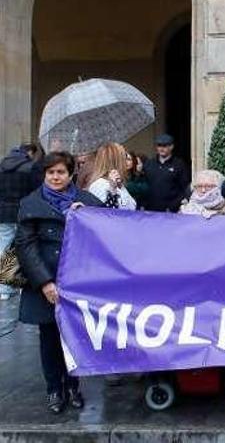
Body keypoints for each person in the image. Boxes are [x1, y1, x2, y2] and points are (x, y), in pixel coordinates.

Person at [15, 152, 102, 414]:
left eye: (61, 172)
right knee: (50, 337)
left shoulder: (85, 200)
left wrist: (87, 214)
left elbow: (111, 225)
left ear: (70, 174)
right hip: (45, 280)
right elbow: (25, 245)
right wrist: (45, 282)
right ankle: (54, 389)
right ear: (44, 174)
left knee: (73, 337)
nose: (55, 177)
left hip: (77, 281)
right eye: (51, 172)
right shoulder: (31, 203)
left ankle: (73, 386)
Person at [0, 143, 42, 300]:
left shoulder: (2, 166)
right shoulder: (31, 167)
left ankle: (3, 288)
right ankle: (20, 284)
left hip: (3, 213)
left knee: (3, 247)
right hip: (23, 213)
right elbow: (37, 191)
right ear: (30, 152)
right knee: (23, 247)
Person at [143, 134, 190, 212]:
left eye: (164, 146)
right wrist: (143, 205)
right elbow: (144, 186)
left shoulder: (179, 164)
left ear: (171, 147)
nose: (161, 148)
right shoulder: (149, 163)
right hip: (150, 210)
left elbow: (185, 188)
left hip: (171, 211)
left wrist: (175, 205)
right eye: (159, 145)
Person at [87, 143, 137, 211]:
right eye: (124, 158)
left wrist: (120, 187)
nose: (126, 163)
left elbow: (131, 206)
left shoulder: (116, 183)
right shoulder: (99, 185)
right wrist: (112, 191)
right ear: (116, 162)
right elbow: (107, 214)